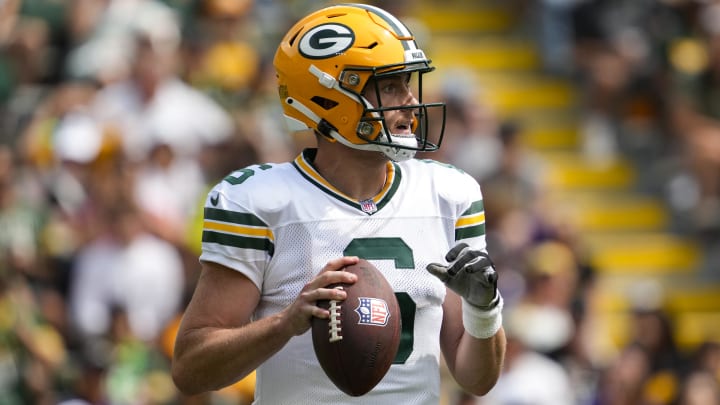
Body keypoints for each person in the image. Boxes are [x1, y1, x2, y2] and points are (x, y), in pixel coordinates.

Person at [171, 4, 506, 404]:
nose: (411, 103)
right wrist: (285, 323)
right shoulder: (260, 201)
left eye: (408, 84)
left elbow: (477, 380)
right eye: (391, 85)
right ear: (330, 96)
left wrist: (484, 311)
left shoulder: (449, 194)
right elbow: (191, 369)